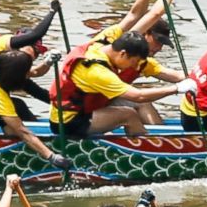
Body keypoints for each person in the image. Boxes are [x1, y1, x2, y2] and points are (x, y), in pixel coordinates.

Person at [61, 0, 191, 129]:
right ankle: (151, 145)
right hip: (76, 113)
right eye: (157, 41)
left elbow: (177, 76)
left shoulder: (139, 59)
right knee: (130, 112)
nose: (158, 48)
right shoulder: (107, 44)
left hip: (98, 102)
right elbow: (143, 15)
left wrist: (204, 76)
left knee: (143, 103)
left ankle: (164, 139)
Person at [51, 28, 182, 138]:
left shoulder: (112, 50)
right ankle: (147, 151)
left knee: (142, 103)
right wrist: (176, 89)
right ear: (123, 54)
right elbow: (138, 95)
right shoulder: (96, 70)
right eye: (133, 62)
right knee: (128, 114)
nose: (135, 66)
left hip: (90, 106)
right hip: (69, 121)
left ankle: (163, 137)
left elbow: (139, 14)